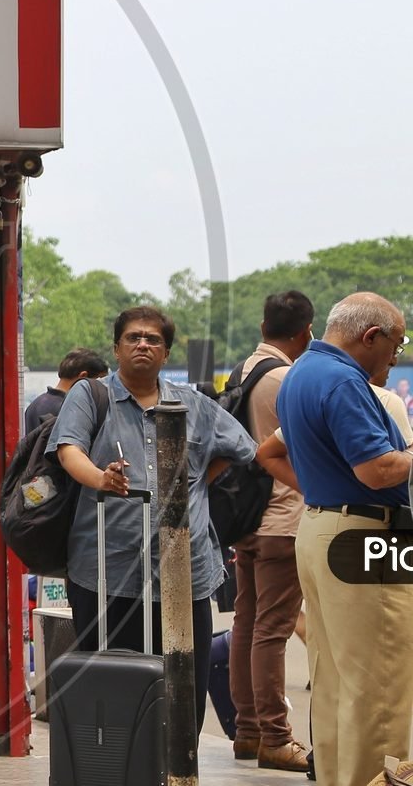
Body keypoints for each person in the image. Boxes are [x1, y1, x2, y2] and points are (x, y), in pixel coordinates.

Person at [51, 305, 257, 734]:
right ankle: (117, 765)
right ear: (116, 348)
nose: (143, 344)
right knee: (112, 694)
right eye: (133, 337)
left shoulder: (192, 404)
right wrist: (101, 479)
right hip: (108, 570)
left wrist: (192, 483)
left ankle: (178, 766)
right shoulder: (90, 395)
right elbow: (69, 450)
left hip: (185, 574)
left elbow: (241, 448)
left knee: (183, 694)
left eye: (153, 339)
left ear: (166, 353)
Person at [276, 292, 413, 786]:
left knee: (336, 679)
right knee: (381, 682)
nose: (395, 358)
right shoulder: (343, 381)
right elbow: (378, 470)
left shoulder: (302, 372)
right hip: (366, 531)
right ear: (371, 336)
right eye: (396, 346)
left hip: (325, 525)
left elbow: (271, 452)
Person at [226, 290, 315, 771]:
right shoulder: (289, 379)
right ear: (306, 333)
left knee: (247, 622)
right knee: (272, 630)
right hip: (284, 517)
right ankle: (276, 738)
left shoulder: (242, 372)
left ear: (264, 328)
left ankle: (248, 730)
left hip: (247, 518)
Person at [24, 347, 110, 430]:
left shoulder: (34, 405)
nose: (102, 388)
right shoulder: (73, 408)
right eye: (99, 381)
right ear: (83, 376)